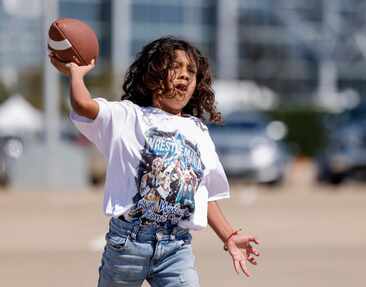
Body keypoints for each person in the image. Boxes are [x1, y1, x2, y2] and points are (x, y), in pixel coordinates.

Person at [49, 36, 260, 287]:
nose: (185, 75)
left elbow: (201, 193)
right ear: (153, 76)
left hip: (176, 248)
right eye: (176, 67)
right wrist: (75, 73)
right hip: (127, 245)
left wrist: (229, 236)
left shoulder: (197, 130)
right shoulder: (127, 116)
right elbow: (83, 105)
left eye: (191, 71)